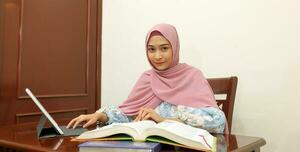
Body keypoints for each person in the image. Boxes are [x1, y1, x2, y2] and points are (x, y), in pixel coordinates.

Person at [67, 23, 225, 133]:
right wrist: (100, 115)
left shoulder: (193, 76)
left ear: (175, 48)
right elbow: (130, 115)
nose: (157, 56)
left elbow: (217, 122)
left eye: (164, 48)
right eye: (151, 49)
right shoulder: (148, 78)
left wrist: (163, 118)